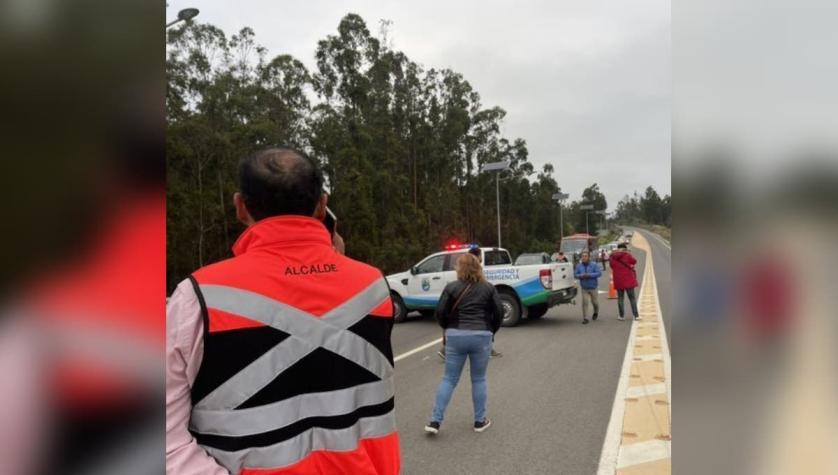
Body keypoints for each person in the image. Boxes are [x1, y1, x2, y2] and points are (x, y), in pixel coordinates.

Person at [166, 148, 400, 474]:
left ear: (240, 206)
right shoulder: (375, 287)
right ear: (322, 205)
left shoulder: (196, 298)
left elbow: (166, 445)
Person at [425, 254, 503, 435]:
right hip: (481, 335)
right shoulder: (489, 288)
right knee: (479, 379)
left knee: (449, 379)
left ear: (459, 268)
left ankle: (435, 421)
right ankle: (479, 421)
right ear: (478, 267)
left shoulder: (451, 287)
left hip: (456, 335)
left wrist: (449, 328)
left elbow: (440, 313)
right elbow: (498, 313)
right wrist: (490, 330)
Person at [610, 243, 640, 321]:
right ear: (625, 249)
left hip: (619, 280)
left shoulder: (612, 257)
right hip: (628, 280)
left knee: (620, 298)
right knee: (632, 298)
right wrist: (628, 253)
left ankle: (621, 316)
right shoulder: (627, 255)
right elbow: (634, 261)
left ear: (618, 248)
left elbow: (612, 266)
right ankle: (636, 315)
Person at [574, 251, 602, 324]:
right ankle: (585, 318)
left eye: (585, 256)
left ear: (589, 257)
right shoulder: (579, 266)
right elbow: (576, 275)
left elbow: (599, 273)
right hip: (584, 288)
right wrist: (581, 275)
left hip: (593, 287)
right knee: (585, 302)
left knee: (595, 302)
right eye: (582, 256)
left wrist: (589, 275)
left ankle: (596, 312)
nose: (584, 257)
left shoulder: (594, 265)